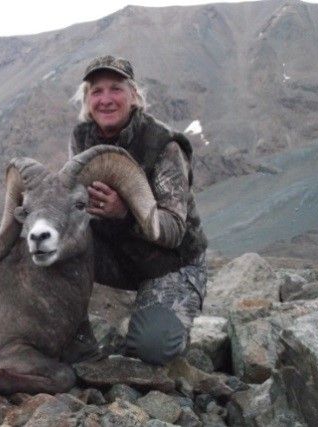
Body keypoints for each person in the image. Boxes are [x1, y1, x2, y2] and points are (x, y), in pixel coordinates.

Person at [68, 55, 208, 365]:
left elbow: (174, 231)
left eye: (116, 89)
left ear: (133, 95)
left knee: (151, 350)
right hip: (115, 254)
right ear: (87, 99)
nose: (106, 99)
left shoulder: (164, 146)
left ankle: (170, 316)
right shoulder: (81, 138)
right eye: (96, 91)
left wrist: (125, 213)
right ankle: (72, 334)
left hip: (169, 263)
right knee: (48, 248)